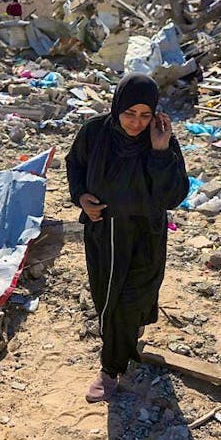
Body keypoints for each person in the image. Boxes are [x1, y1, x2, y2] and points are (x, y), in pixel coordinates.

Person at [65, 74, 189, 403]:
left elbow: (174, 195)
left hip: (147, 232)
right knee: (110, 299)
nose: (136, 123)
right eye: (129, 113)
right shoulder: (94, 132)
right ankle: (114, 362)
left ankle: (112, 362)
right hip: (105, 231)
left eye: (145, 114)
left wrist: (160, 152)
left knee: (136, 296)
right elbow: (74, 164)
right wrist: (81, 197)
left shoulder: (160, 138)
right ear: (117, 106)